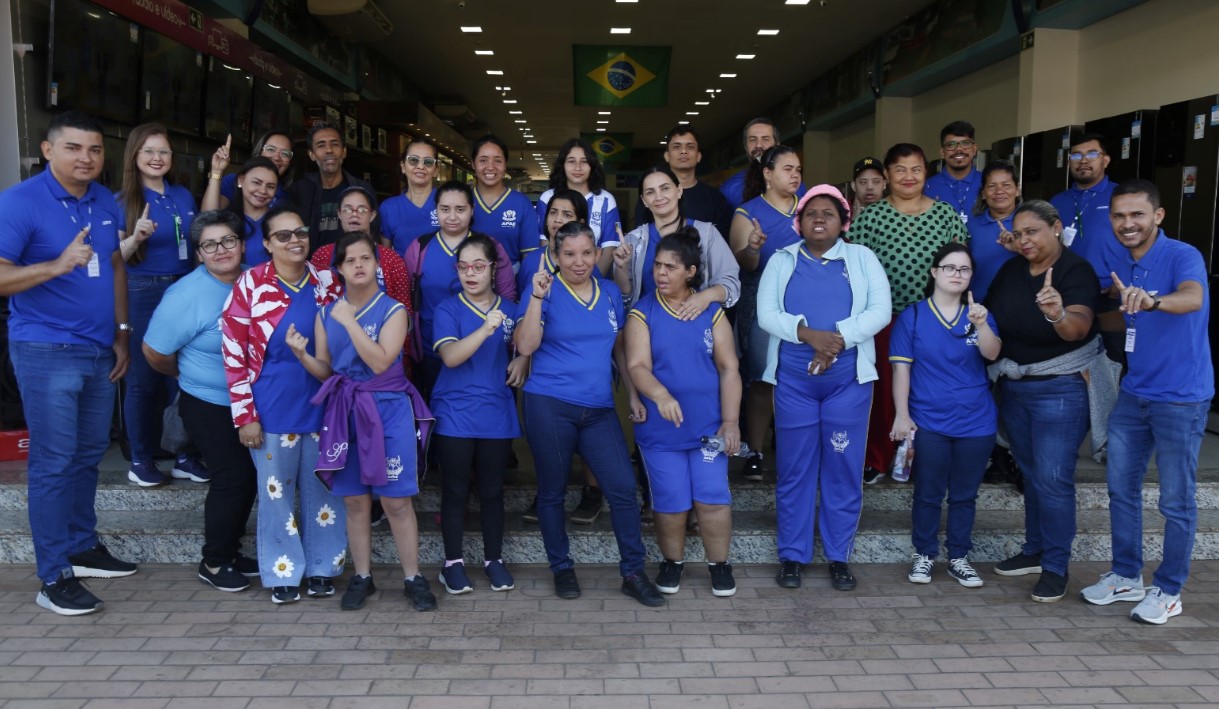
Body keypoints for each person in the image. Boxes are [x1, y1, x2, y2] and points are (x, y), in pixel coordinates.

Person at [0, 111, 136, 615]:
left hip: (100, 349)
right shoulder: (20, 202)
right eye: (75, 148)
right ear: (48, 150)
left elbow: (115, 266)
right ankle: (53, 574)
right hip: (46, 350)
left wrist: (122, 334)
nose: (87, 158)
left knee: (86, 456)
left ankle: (81, 546)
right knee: (54, 463)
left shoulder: (104, 201)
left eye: (96, 150)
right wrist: (55, 265)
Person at [1080, 180, 1213, 625]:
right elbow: (1126, 315)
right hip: (1134, 394)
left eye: (1137, 214)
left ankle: (1169, 589)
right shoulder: (1126, 263)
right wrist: (1070, 316)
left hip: (1181, 398)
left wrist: (1154, 300)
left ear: (1158, 216)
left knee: (1176, 500)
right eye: (1119, 216)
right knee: (1121, 488)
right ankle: (1125, 575)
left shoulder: (1181, 255)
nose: (1127, 223)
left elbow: (1191, 298)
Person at [514, 221, 664, 607]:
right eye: (568, 254)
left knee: (623, 489)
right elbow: (526, 345)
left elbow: (618, 349)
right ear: (556, 256)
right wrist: (534, 297)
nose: (578, 262)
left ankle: (633, 571)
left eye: (586, 253)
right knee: (552, 491)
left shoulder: (611, 292)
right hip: (549, 404)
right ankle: (561, 567)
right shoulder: (543, 290)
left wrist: (631, 394)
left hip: (598, 408)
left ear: (598, 255)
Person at [290, 231, 437, 612]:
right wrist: (303, 356)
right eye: (350, 260)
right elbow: (326, 371)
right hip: (345, 410)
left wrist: (351, 322)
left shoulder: (394, 310)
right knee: (355, 502)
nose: (359, 265)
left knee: (396, 501)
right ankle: (362, 576)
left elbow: (380, 361)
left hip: (388, 409)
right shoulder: (327, 314)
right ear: (338, 269)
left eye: (365, 258)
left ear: (376, 264)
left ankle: (412, 577)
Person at [757, 185, 890, 592]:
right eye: (811, 212)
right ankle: (793, 556)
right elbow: (766, 314)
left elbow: (880, 311)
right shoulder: (782, 260)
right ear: (798, 221)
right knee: (795, 471)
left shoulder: (861, 258)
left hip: (847, 385)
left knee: (842, 468)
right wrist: (808, 334)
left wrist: (838, 339)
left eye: (828, 213)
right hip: (795, 384)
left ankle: (837, 556)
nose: (819, 218)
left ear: (843, 220)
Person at [986, 200, 1119, 603]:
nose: (1025, 239)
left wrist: (1058, 313)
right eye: (1019, 232)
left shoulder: (1074, 271)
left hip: (1060, 389)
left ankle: (1057, 566)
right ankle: (1035, 549)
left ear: (1056, 228)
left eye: (1034, 231)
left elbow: (1077, 328)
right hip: (1016, 387)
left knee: (1054, 478)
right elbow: (991, 317)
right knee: (1031, 473)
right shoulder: (1011, 270)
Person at [220, 205, 347, 605]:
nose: (295, 241)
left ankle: (324, 567)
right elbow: (233, 352)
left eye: (301, 232)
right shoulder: (251, 284)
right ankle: (284, 571)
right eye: (284, 235)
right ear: (267, 243)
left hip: (325, 406)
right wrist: (245, 416)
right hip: (272, 407)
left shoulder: (327, 283)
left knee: (324, 489)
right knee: (275, 494)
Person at [143, 210, 257, 592]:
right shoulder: (187, 295)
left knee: (250, 478)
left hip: (253, 402)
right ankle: (214, 560)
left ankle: (231, 549)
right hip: (210, 402)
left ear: (242, 244)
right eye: (209, 244)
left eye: (228, 240)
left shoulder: (256, 279)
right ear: (198, 253)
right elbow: (155, 351)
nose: (220, 250)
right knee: (233, 477)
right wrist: (188, 375)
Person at [624, 230, 742, 597]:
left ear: (690, 271)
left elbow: (729, 368)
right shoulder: (643, 312)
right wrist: (661, 396)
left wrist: (731, 421)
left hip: (709, 426)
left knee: (712, 498)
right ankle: (672, 562)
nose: (661, 273)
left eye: (670, 267)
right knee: (670, 501)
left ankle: (719, 565)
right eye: (658, 265)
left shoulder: (711, 310)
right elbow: (637, 365)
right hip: (662, 430)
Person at [851, 143, 968, 484]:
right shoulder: (871, 218)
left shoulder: (945, 214)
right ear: (887, 175)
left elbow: (961, 264)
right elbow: (854, 272)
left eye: (916, 169)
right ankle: (878, 458)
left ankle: (925, 461)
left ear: (926, 173)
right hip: (885, 321)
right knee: (885, 392)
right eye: (900, 169)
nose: (908, 176)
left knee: (932, 390)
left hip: (937, 319)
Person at [890, 242, 1000, 588]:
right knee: (928, 491)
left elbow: (993, 353)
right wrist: (901, 415)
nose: (957, 274)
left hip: (976, 420)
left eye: (964, 269)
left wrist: (981, 325)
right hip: (929, 420)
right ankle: (924, 554)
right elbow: (901, 371)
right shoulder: (914, 315)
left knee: (965, 493)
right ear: (935, 272)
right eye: (950, 268)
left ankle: (958, 557)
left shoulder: (979, 313)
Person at [431, 234, 525, 595]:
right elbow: (451, 356)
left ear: (493, 268)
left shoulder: (511, 309)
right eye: (464, 267)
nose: (471, 273)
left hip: (496, 413)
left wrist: (523, 357)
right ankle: (452, 563)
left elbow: (528, 341)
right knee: (454, 490)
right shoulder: (448, 309)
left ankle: (493, 560)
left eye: (479, 266)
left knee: (491, 491)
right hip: (454, 412)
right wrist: (486, 327)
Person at [113, 122, 204, 487]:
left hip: (184, 289)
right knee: (143, 380)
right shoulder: (121, 202)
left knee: (182, 378)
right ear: (134, 156)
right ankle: (141, 460)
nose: (156, 158)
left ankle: (184, 455)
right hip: (143, 291)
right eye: (149, 151)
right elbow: (114, 260)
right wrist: (135, 238)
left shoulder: (182, 195)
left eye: (163, 151)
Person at [728, 145, 804, 481]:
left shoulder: (811, 208)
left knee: (801, 380)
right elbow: (742, 264)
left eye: (798, 169)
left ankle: (797, 452)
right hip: (762, 301)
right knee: (763, 379)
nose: (795, 175)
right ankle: (756, 452)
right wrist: (754, 248)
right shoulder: (748, 213)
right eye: (788, 168)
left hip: (806, 303)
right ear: (767, 174)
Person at [401, 181, 516, 401]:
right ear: (436, 210)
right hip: (430, 348)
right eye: (445, 209)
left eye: (460, 209)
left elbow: (507, 296)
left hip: (485, 347)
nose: (452, 216)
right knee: (434, 413)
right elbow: (408, 297)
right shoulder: (420, 247)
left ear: (472, 210)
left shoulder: (489, 246)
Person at [616, 166, 740, 311]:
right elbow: (624, 299)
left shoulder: (707, 234)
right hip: (646, 325)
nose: (659, 197)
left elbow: (731, 284)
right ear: (644, 200)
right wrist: (621, 267)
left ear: (679, 190)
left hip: (695, 323)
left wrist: (706, 296)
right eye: (650, 192)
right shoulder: (634, 239)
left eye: (665, 188)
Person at [1050, 132, 1127, 362]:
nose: (1083, 160)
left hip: (1110, 295)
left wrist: (1122, 278)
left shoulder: (1121, 196)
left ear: (1106, 160)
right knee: (1072, 361)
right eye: (1076, 155)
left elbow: (1140, 241)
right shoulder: (1057, 201)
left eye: (1092, 154)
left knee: (1114, 360)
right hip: (1067, 295)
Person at [309, 186, 412, 316]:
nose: (354, 214)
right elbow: (315, 304)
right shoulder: (322, 255)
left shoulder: (392, 259)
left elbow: (405, 312)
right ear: (339, 214)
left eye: (362, 209)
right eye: (347, 209)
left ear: (372, 215)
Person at [286, 122, 374, 255]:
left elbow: (374, 232)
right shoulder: (300, 191)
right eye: (321, 145)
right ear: (312, 154)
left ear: (344, 152)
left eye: (335, 144)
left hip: (353, 266)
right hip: (311, 269)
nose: (329, 150)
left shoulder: (362, 189)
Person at [634, 125, 734, 241]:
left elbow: (722, 243)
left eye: (690, 147)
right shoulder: (653, 197)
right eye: (676, 147)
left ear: (698, 156)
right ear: (667, 156)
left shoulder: (715, 198)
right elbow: (641, 240)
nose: (683, 151)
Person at [536, 138, 621, 273]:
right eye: (571, 161)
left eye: (584, 161)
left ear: (592, 165)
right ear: (562, 165)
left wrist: (590, 281)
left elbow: (609, 250)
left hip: (593, 280)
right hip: (553, 279)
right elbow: (544, 242)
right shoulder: (547, 198)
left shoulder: (606, 200)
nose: (577, 167)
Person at [469, 134, 540, 268]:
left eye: (498, 161)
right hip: (467, 279)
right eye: (483, 160)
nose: (490, 167)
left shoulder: (521, 203)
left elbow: (529, 256)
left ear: (505, 165)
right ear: (473, 163)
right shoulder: (463, 201)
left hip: (511, 282)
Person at [202, 156, 279, 266]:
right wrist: (216, 171)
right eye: (256, 183)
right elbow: (207, 221)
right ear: (241, 180)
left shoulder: (279, 222)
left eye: (270, 186)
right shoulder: (227, 221)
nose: (263, 190)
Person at [967, 160, 1021, 304]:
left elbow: (1049, 259)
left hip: (1020, 306)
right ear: (983, 193)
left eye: (1006, 185)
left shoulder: (1030, 223)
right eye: (992, 186)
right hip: (979, 308)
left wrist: (1019, 247)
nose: (999, 191)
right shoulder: (971, 227)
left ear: (1017, 190)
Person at [203, 130, 293, 211]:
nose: (277, 157)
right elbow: (207, 219)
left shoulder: (289, 194)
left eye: (285, 153)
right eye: (270, 149)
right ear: (259, 151)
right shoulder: (233, 181)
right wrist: (216, 171)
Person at [380, 138, 440, 253]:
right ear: (403, 166)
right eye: (413, 160)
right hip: (401, 271)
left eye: (428, 162)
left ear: (436, 170)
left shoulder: (447, 202)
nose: (421, 166)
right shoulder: (389, 208)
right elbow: (386, 257)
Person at [720, 118, 790, 211]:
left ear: (777, 145)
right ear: (746, 146)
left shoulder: (792, 182)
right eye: (753, 140)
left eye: (765, 139)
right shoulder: (730, 188)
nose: (758, 145)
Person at [924, 120, 982, 226]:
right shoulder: (927, 187)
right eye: (951, 145)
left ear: (974, 149)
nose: (959, 149)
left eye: (965, 143)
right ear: (942, 152)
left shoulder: (987, 183)